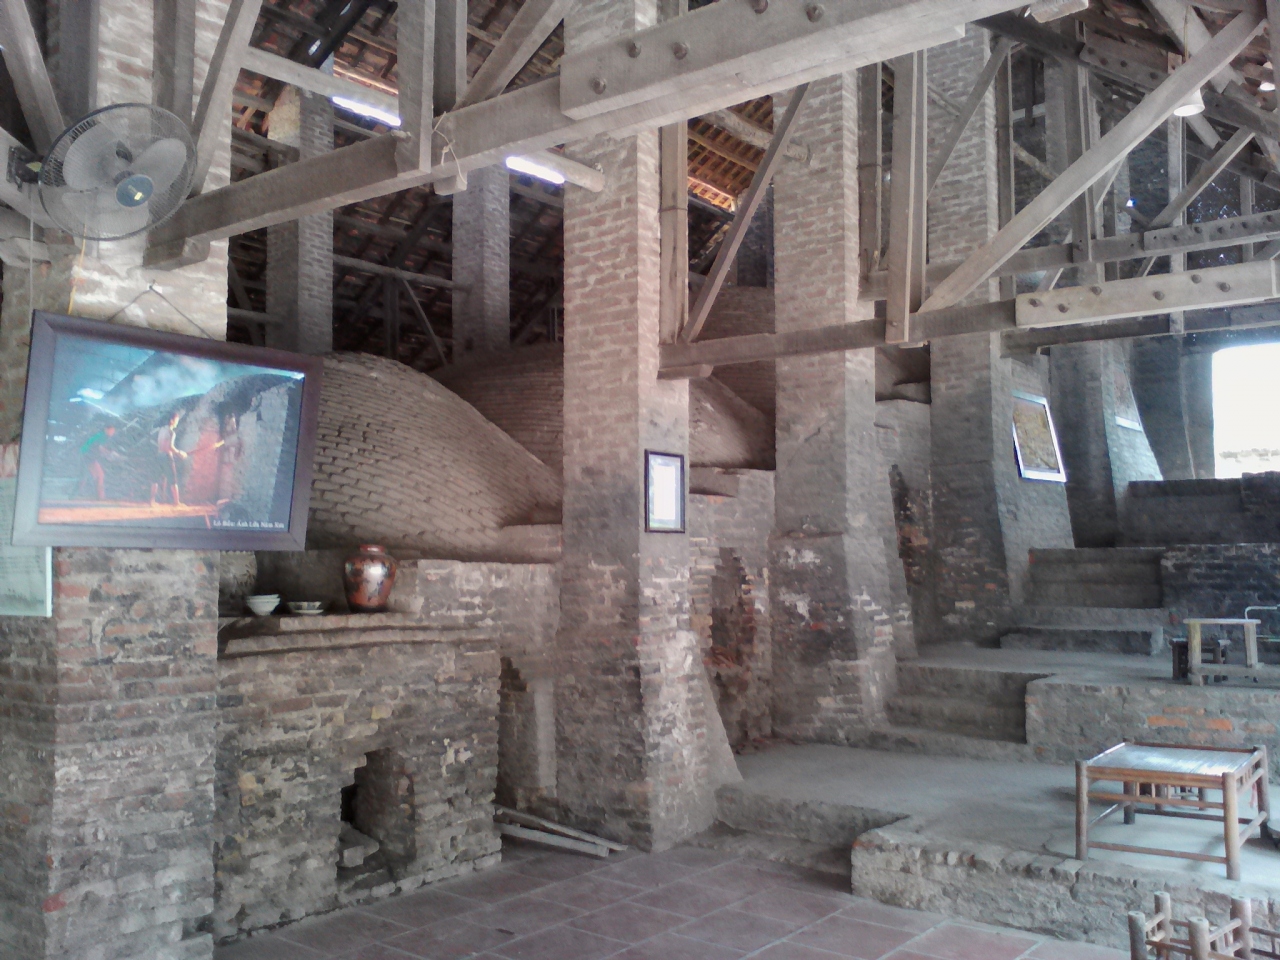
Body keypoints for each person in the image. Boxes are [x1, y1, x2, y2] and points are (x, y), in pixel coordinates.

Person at [151, 410, 189, 506]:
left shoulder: (161, 430)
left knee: (155, 479)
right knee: (173, 480)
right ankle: (176, 502)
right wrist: (179, 453)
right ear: (171, 420)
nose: (177, 422)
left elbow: (161, 444)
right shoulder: (171, 432)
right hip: (167, 457)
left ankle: (152, 501)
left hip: (159, 455)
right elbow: (170, 447)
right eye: (176, 420)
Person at [78, 425, 121, 500]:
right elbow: (100, 448)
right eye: (111, 431)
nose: (112, 433)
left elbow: (96, 447)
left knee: (89, 475)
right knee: (100, 475)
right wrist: (111, 454)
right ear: (106, 429)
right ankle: (100, 496)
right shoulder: (103, 436)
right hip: (89, 457)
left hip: (86, 456)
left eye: (113, 431)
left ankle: (80, 492)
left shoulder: (99, 435)